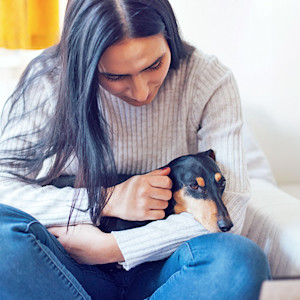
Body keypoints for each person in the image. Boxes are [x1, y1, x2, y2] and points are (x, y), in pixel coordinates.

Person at [0, 0, 270, 299]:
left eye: (154, 65)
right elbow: (4, 189)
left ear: (169, 35)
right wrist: (105, 200)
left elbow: (232, 208)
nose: (142, 92)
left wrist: (113, 248)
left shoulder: (208, 79)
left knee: (238, 259)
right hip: (67, 265)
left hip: (168, 268)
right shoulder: (49, 78)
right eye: (114, 77)